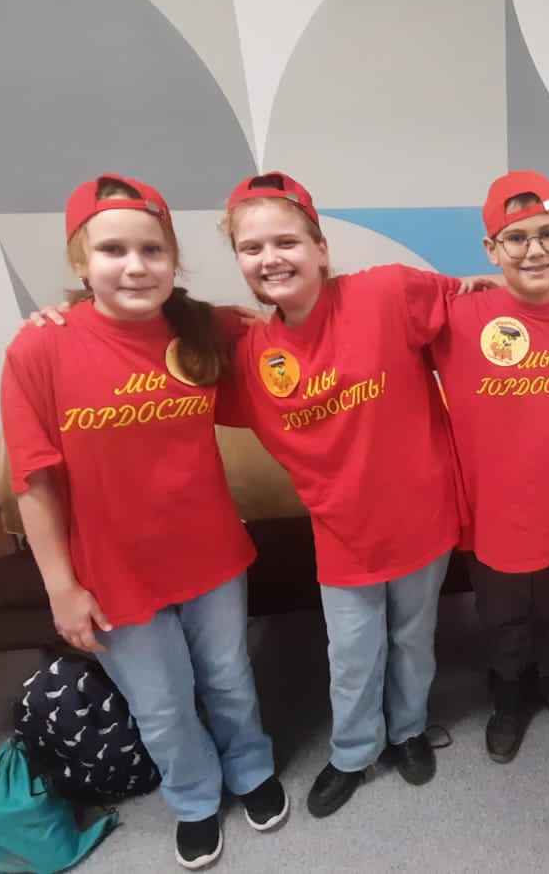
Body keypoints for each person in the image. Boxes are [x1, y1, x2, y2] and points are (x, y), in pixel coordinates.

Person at [0, 174, 285, 870]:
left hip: (210, 553)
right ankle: (193, 798)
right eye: (112, 250)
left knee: (228, 678)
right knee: (160, 704)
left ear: (173, 259)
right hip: (114, 572)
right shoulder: (40, 349)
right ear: (80, 262)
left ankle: (250, 768)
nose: (135, 266)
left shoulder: (201, 329)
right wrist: (61, 589)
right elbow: (34, 482)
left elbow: (301, 321)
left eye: (152, 250)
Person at [213, 172, 480, 818]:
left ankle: (409, 730)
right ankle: (355, 751)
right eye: (252, 248)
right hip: (342, 530)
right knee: (353, 653)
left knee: (413, 638)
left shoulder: (386, 293)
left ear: (321, 249)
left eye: (287, 242)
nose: (271, 258)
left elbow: (481, 301)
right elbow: (151, 338)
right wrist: (72, 314)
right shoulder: (249, 352)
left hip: (420, 513)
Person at [429, 170, 549, 763]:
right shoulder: (456, 316)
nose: (535, 250)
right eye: (516, 238)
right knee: (503, 618)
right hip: (495, 512)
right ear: (492, 248)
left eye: (548, 234)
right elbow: (378, 315)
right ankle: (508, 695)